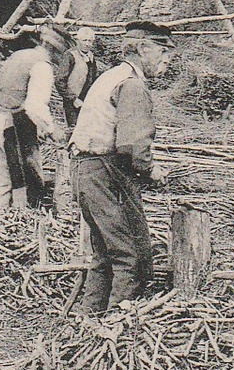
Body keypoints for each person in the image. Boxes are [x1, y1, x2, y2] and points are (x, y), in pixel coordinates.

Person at [69, 19, 173, 316]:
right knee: (132, 255)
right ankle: (119, 326)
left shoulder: (110, 75)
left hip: (86, 169)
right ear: (142, 48)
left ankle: (88, 321)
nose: (166, 61)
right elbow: (132, 145)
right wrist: (151, 169)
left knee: (104, 254)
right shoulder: (132, 84)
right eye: (163, 53)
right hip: (104, 171)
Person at [0, 24, 69, 210]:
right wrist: (52, 130)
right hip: (10, 124)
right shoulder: (42, 66)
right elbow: (34, 106)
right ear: (55, 50)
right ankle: (21, 223)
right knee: (22, 183)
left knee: (1, 183)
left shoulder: (20, 55)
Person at [58, 26, 101, 125]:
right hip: (72, 100)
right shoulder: (70, 55)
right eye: (84, 40)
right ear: (78, 41)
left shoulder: (91, 56)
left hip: (86, 100)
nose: (87, 44)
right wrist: (73, 98)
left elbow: (93, 78)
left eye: (90, 41)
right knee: (74, 127)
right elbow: (60, 81)